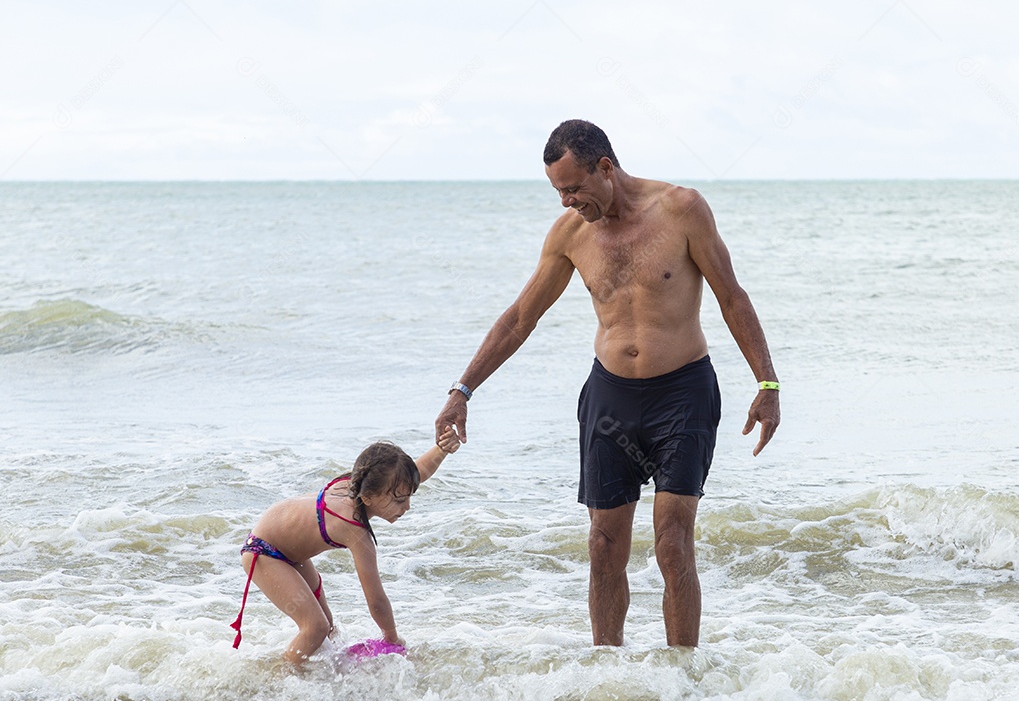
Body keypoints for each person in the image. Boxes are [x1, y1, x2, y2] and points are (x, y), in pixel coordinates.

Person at [435, 119, 780, 648]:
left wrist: (767, 384)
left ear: (605, 167)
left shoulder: (681, 209)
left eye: (573, 188)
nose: (567, 201)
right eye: (558, 191)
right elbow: (520, 318)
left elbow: (731, 296)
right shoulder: (571, 235)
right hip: (611, 396)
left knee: (672, 543)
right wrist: (463, 390)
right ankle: (607, 675)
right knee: (602, 544)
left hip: (683, 393)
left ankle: (681, 679)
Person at [230, 435, 458, 664]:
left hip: (288, 550)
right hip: (264, 552)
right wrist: (391, 637)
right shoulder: (354, 529)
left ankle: (317, 677)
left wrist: (441, 450)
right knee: (315, 628)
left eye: (408, 497)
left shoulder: (363, 483)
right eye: (399, 500)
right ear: (368, 498)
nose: (407, 507)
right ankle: (278, 680)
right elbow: (376, 599)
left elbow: (413, 474)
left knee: (328, 627)